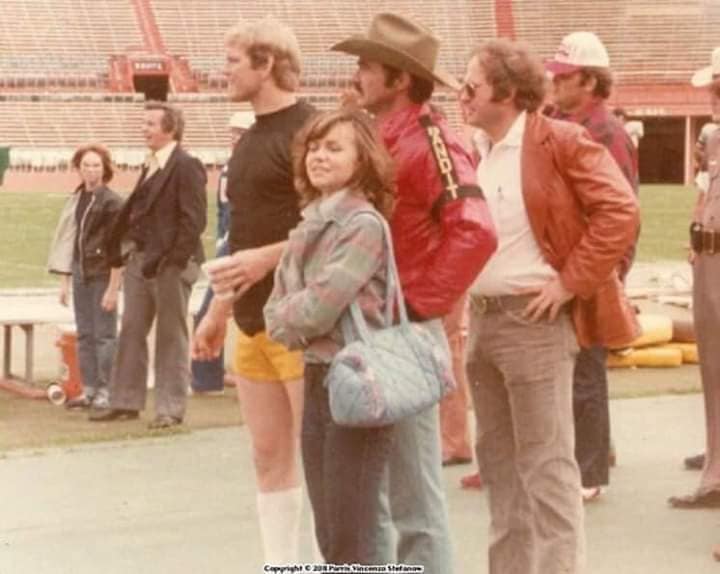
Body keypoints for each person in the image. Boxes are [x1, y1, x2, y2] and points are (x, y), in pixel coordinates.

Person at [459, 39, 639, 574]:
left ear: (509, 92)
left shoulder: (559, 139)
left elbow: (620, 210)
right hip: (485, 321)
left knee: (547, 468)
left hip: (534, 324)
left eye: (472, 85)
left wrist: (568, 283)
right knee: (499, 467)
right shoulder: (480, 148)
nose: (462, 94)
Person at [331, 13, 497, 571]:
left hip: (399, 329)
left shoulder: (432, 138)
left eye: (368, 66)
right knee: (372, 490)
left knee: (413, 494)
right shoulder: (377, 136)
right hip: (365, 326)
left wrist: (418, 304)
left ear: (401, 79)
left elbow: (476, 230)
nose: (357, 75)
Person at [191, 17, 316, 565]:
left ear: (266, 64)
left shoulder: (311, 131)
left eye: (233, 61)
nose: (224, 72)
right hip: (249, 320)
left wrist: (265, 260)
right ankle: (282, 563)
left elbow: (335, 228)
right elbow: (239, 237)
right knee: (268, 456)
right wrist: (218, 311)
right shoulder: (245, 143)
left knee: (321, 457)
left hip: (302, 319)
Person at [264, 109, 396, 564]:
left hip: (355, 378)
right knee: (329, 526)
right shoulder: (309, 223)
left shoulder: (362, 225)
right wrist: (288, 318)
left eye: (334, 148)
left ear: (362, 160)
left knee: (348, 530)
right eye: (314, 148)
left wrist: (287, 318)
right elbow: (276, 311)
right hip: (318, 375)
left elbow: (320, 306)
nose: (318, 156)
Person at [546, 30, 639, 502]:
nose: (554, 84)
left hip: (592, 265)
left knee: (586, 370)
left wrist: (611, 273)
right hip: (568, 262)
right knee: (575, 368)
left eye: (563, 77)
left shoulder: (607, 133)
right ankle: (596, 451)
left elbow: (623, 209)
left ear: (587, 80)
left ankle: (590, 472)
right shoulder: (560, 122)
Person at [90, 102, 207, 429]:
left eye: (151, 124)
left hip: (170, 264)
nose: (144, 129)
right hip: (141, 261)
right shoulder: (152, 164)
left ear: (170, 129)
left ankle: (170, 408)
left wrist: (173, 262)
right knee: (130, 331)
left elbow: (194, 220)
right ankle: (125, 401)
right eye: (144, 123)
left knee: (171, 336)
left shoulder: (186, 165)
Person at [668, 47, 720, 510]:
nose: (713, 98)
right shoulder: (714, 137)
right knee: (713, 367)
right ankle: (715, 471)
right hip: (709, 257)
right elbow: (705, 194)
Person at [47, 144, 123, 413]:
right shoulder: (78, 199)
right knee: (85, 335)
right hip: (81, 273)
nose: (91, 170)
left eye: (96, 165)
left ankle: (107, 390)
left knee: (105, 335)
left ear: (105, 169)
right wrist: (65, 281)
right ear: (78, 168)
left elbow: (118, 250)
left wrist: (113, 288)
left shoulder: (112, 203)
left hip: (102, 274)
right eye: (86, 165)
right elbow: (70, 242)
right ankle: (89, 389)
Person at [190, 110, 254, 394]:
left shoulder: (251, 166)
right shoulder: (233, 166)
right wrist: (220, 240)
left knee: (212, 311)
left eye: (239, 133)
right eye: (233, 133)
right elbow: (222, 210)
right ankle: (208, 376)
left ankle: (207, 377)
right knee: (211, 311)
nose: (234, 138)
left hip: (243, 249)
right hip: (230, 246)